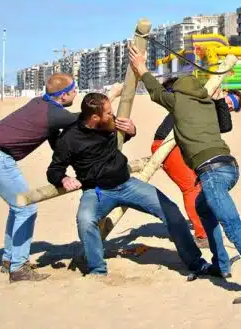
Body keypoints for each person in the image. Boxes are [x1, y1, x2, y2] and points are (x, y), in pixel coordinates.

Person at [129, 45, 241, 305]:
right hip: (228, 166)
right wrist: (219, 99)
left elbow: (155, 91)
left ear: (178, 91)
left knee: (234, 228)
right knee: (202, 207)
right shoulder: (207, 103)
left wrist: (141, 67)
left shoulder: (178, 102)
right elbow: (224, 123)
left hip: (212, 172)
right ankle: (220, 265)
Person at [46, 93, 212, 277]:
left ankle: (195, 262)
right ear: (94, 118)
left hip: (127, 185)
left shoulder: (108, 123)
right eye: (108, 113)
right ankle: (97, 270)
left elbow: (121, 137)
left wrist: (132, 130)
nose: (112, 115)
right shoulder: (69, 139)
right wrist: (63, 179)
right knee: (85, 221)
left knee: (171, 211)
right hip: (97, 192)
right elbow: (54, 170)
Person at [0, 74, 81, 282]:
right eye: (74, 90)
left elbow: (57, 144)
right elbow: (85, 118)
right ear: (64, 95)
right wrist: (112, 95)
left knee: (18, 207)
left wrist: (63, 173)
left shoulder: (40, 104)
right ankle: (19, 268)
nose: (76, 92)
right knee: (26, 207)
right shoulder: (53, 114)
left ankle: (9, 260)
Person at [151, 77, 241, 247]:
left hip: (182, 146)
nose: (230, 106)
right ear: (224, 92)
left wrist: (221, 102)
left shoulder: (213, 110)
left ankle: (206, 228)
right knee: (191, 188)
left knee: (201, 186)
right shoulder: (200, 98)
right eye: (231, 100)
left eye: (234, 107)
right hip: (167, 143)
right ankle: (202, 235)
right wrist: (217, 98)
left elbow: (225, 126)